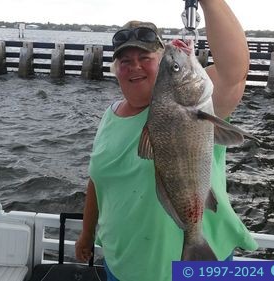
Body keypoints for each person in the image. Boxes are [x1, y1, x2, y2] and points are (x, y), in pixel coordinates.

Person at [75, 0, 258, 280]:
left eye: (145, 58)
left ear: (161, 64)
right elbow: (98, 181)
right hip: (122, 265)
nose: (134, 67)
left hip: (190, 268)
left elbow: (234, 70)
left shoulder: (198, 106)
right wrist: (86, 235)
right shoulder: (109, 117)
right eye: (125, 61)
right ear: (116, 70)